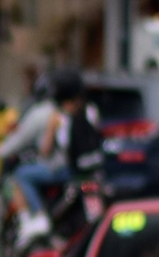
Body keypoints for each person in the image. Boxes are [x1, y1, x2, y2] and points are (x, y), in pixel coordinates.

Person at [13, 68, 100, 242]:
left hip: (66, 170)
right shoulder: (91, 112)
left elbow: (46, 150)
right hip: (92, 169)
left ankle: (39, 216)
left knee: (21, 175)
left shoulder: (57, 117)